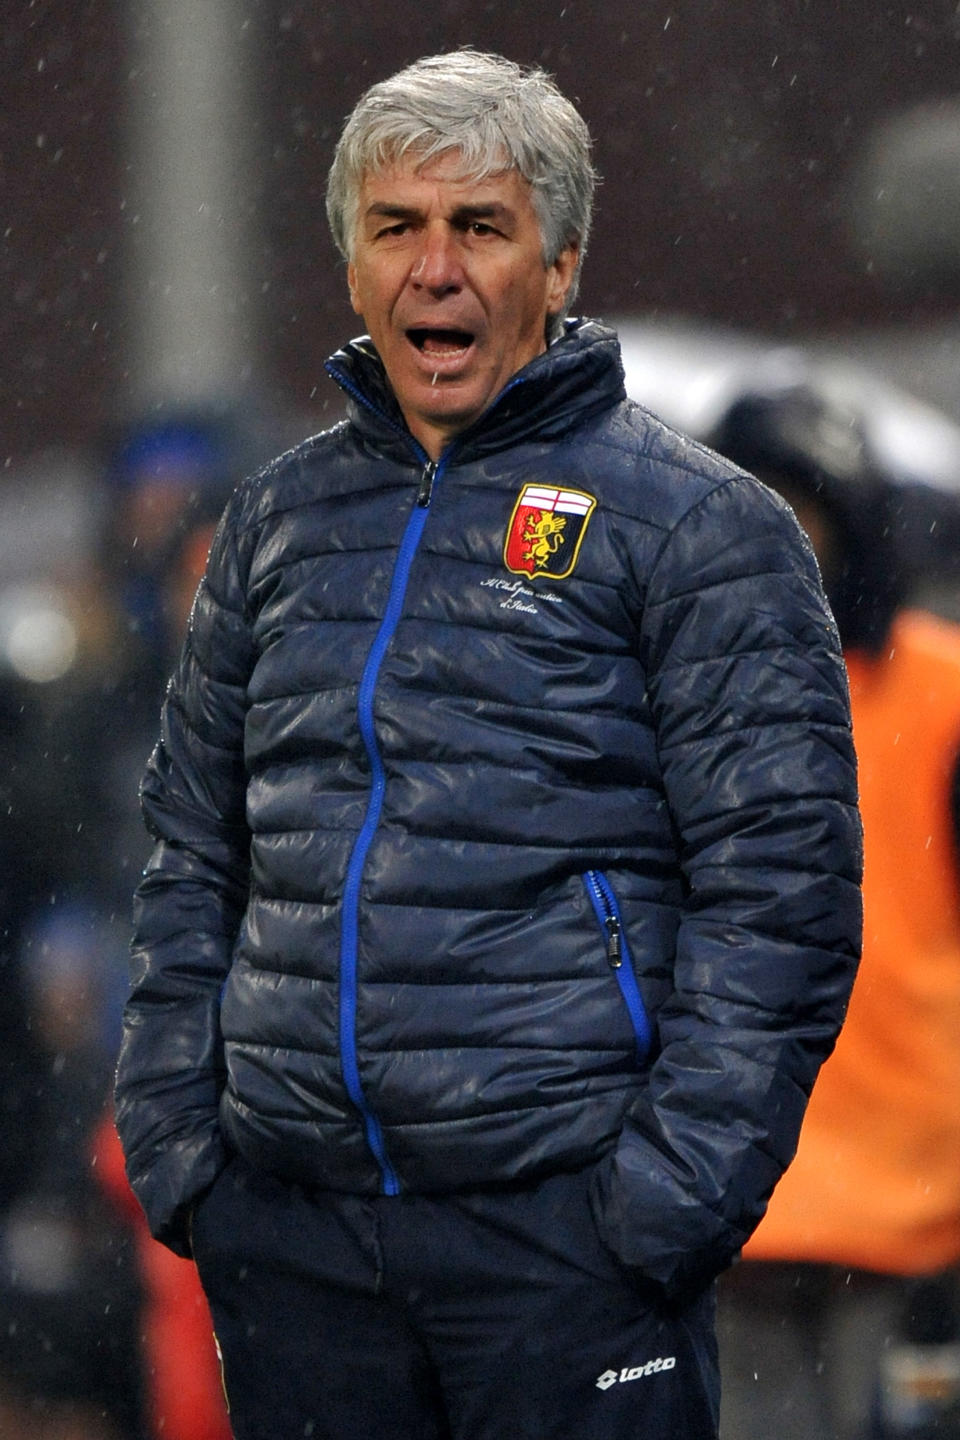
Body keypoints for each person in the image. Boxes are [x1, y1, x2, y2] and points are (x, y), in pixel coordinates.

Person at [114, 50, 863, 1440]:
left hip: (568, 1248)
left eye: (482, 227)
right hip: (299, 1249)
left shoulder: (701, 529)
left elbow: (784, 898)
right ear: (351, 266)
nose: (434, 269)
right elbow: (192, 850)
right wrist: (187, 1154)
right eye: (397, 226)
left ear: (562, 264)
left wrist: (658, 1208)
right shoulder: (274, 524)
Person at [706, 374, 960, 1440]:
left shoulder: (939, 696)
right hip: (758, 1196)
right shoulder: (675, 692)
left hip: (888, 1200)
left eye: (804, 510)